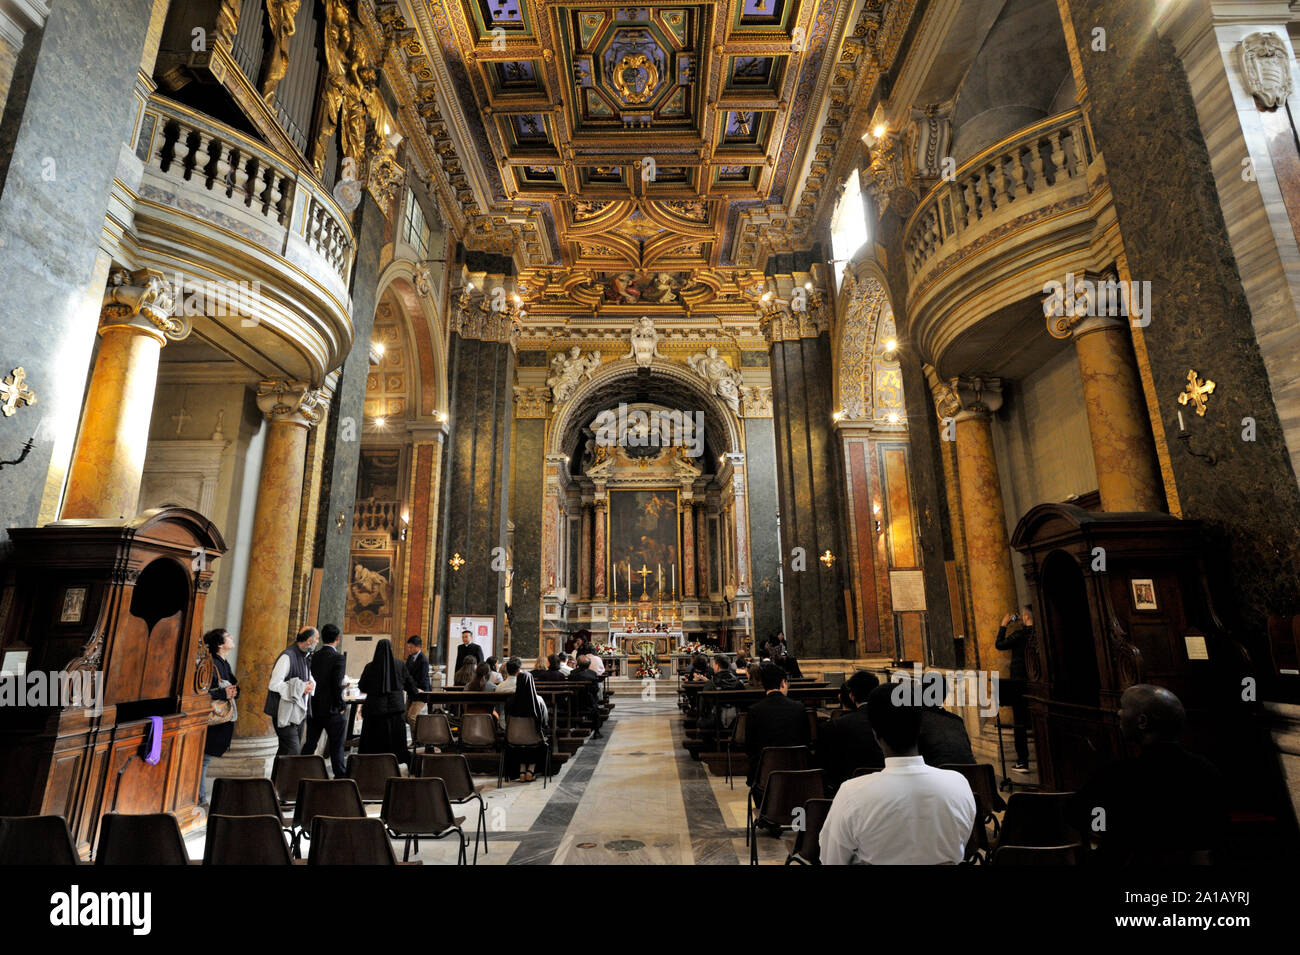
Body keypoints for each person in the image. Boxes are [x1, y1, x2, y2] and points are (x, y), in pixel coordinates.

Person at [1071, 684, 1228, 864]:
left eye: (1123, 707)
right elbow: (1217, 831)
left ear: (1142, 722)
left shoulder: (1119, 776)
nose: (1118, 713)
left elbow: (1077, 814)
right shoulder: (1206, 770)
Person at [821, 684, 976, 864]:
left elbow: (831, 860)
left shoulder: (851, 793)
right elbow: (963, 846)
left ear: (875, 734)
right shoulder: (959, 784)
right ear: (920, 729)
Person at [744, 664, 811, 786]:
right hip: (796, 773)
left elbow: (749, 747)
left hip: (764, 777)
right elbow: (806, 740)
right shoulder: (799, 708)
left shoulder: (754, 710)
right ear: (782, 683)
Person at [818, 671, 885, 790]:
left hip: (848, 788)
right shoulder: (891, 722)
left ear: (851, 696)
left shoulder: (834, 726)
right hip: (886, 787)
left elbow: (828, 767)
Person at [358, 639, 415, 766]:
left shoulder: (370, 666)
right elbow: (409, 685)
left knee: (373, 743)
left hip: (374, 710)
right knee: (396, 742)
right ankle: (395, 765)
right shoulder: (400, 665)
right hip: (395, 710)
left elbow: (362, 686)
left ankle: (372, 766)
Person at [264, 627, 317, 756]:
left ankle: (277, 776)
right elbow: (274, 684)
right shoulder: (287, 656)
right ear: (309, 640)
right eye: (317, 639)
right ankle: (289, 776)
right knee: (293, 752)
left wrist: (310, 685)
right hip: (284, 713)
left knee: (285, 751)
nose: (317, 642)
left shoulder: (305, 656)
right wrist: (300, 688)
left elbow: (308, 679)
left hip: (298, 713)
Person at [201, 628, 239, 806]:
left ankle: (200, 797)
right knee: (204, 759)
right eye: (228, 637)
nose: (232, 638)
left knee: (206, 758)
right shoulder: (211, 663)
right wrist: (224, 693)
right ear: (220, 644)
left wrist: (233, 691)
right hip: (214, 719)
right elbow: (203, 691)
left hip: (222, 719)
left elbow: (232, 684)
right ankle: (200, 798)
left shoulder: (224, 662)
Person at [304, 624, 347, 777]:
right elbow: (337, 684)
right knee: (337, 745)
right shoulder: (338, 658)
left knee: (310, 743)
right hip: (331, 710)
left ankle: (300, 771)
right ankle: (340, 776)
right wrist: (341, 705)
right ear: (337, 638)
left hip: (314, 707)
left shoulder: (313, 656)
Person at [995, 607, 1034, 772]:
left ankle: (1023, 761)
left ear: (1025, 616)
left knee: (1019, 724)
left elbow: (999, 644)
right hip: (1035, 683)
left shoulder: (1020, 635)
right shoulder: (1037, 634)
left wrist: (1004, 625)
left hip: (1019, 683)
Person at [503, 669, 550, 782]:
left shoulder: (510, 701)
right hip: (534, 739)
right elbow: (545, 722)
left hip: (512, 739)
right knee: (538, 738)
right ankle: (531, 770)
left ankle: (522, 770)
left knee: (521, 740)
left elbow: (506, 721)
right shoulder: (538, 700)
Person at [569, 655, 604, 737]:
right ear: (588, 665)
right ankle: (596, 731)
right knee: (596, 708)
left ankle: (573, 727)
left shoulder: (572, 674)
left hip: (575, 702)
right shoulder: (592, 674)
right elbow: (595, 690)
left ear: (578, 663)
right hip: (589, 703)